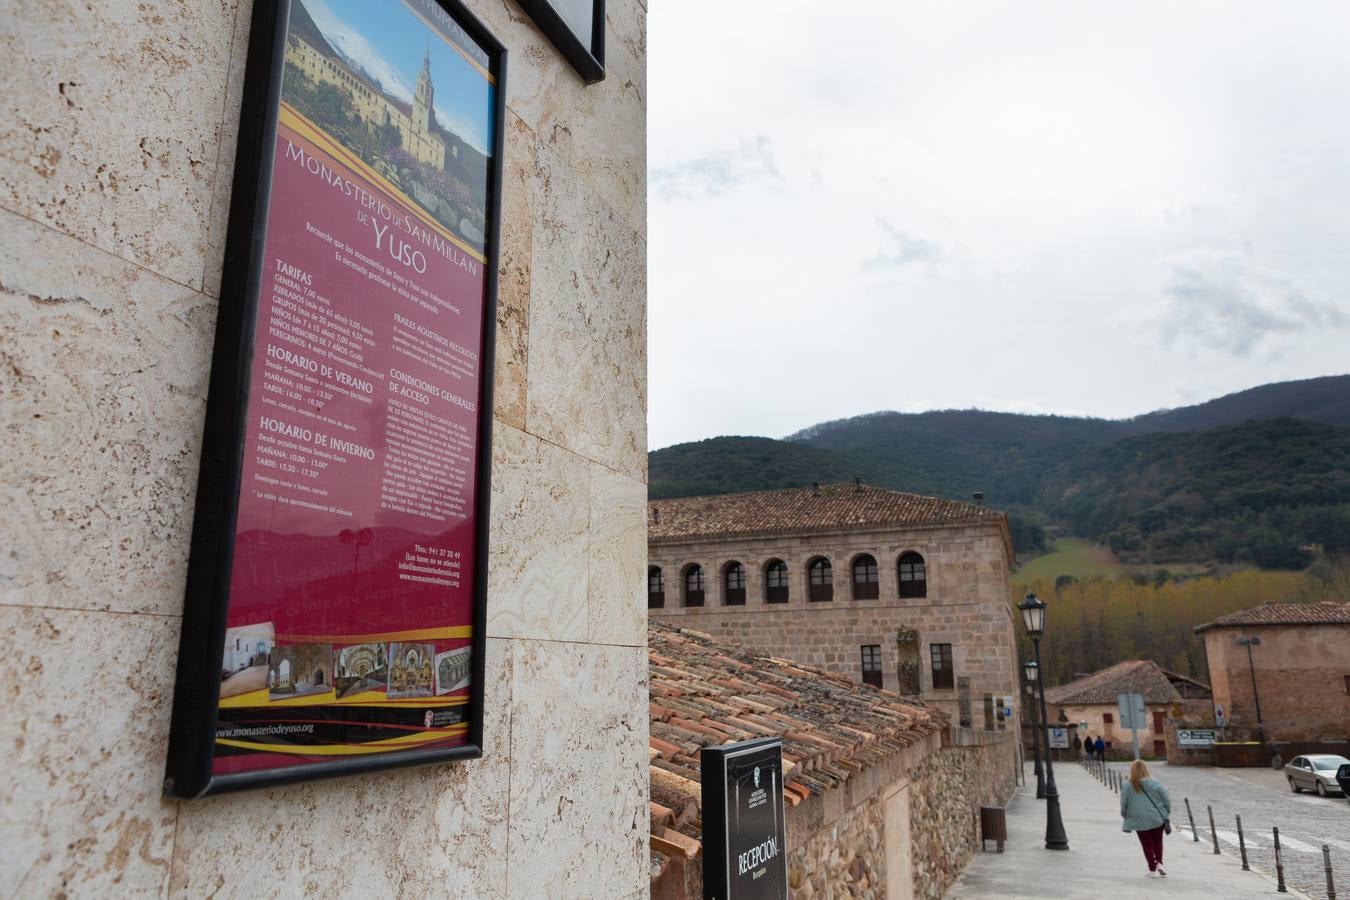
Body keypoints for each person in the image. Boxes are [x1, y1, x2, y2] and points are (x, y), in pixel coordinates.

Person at [1120, 759, 1172, 877]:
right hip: (1156, 817)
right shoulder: (1155, 783)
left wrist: (1125, 814)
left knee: (1146, 844)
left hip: (1138, 819)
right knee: (1158, 842)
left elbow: (1124, 803)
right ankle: (1159, 863)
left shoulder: (1127, 785)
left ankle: (1152, 869)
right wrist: (1166, 813)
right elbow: (1166, 799)